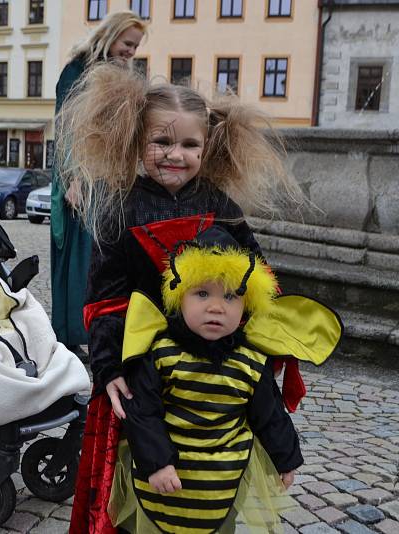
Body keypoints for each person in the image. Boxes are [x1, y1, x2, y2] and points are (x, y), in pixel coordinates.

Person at [55, 65, 305, 533]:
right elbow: (105, 299)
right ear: (135, 140)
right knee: (140, 479)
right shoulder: (120, 204)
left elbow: (258, 280)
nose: (175, 155)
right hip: (146, 367)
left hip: (216, 367)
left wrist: (266, 342)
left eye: (190, 145)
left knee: (214, 476)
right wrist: (108, 368)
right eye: (161, 142)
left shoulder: (220, 204)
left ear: (206, 147)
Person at [109, 227, 342, 533]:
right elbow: (142, 411)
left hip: (223, 475)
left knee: (221, 525)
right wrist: (157, 463)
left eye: (231, 296)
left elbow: (269, 416)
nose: (216, 307)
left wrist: (284, 460)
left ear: (247, 304)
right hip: (166, 471)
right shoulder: (161, 353)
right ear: (180, 298)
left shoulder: (252, 361)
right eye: (202, 293)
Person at [50, 11, 147, 360]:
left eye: (135, 47)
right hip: (79, 178)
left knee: (103, 257)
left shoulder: (117, 73)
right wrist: (74, 179)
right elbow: (68, 128)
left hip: (108, 178)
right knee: (79, 260)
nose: (131, 52)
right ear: (111, 35)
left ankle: (97, 329)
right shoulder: (78, 70)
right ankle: (71, 333)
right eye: (127, 43)